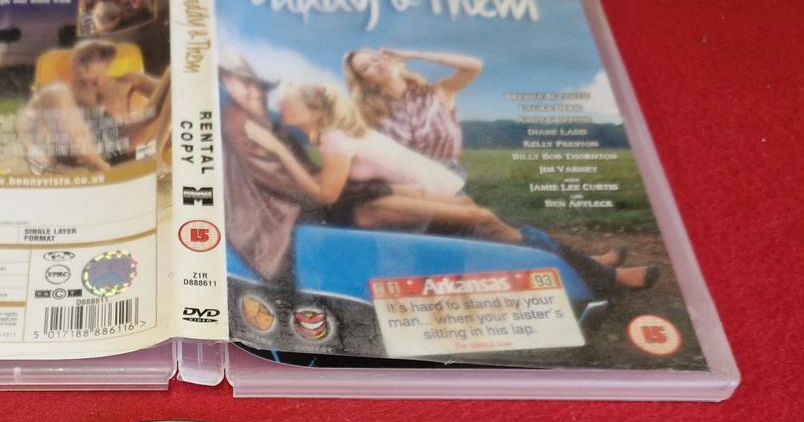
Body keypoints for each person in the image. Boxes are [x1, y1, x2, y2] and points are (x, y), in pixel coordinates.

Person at [246, 84, 657, 291]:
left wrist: (278, 151)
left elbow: (326, 192)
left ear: (312, 109)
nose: (280, 105)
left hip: (377, 201)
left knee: (488, 222)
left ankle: (595, 268)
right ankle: (602, 273)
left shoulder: (335, 137)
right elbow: (328, 193)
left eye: (288, 101)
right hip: (370, 205)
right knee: (487, 221)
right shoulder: (331, 136)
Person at [217, 52, 321, 285]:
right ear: (227, 81)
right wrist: (330, 192)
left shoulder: (268, 125)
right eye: (247, 84)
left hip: (277, 217)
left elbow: (305, 169)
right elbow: (283, 181)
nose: (258, 93)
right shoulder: (239, 123)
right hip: (264, 226)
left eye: (262, 87)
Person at [17, 39, 171, 172]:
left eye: (85, 60)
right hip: (82, 149)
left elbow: (168, 100)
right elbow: (27, 116)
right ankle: (100, 168)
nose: (77, 65)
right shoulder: (65, 90)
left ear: (106, 62)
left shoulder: (127, 81)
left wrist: (167, 135)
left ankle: (155, 155)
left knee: (174, 73)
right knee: (54, 91)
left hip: (124, 140)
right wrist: (30, 147)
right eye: (74, 61)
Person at [343, 46, 479, 176]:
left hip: (449, 178)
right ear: (367, 82)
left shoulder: (437, 92)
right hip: (403, 183)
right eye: (366, 67)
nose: (377, 65)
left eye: (375, 58)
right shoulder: (371, 115)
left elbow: (474, 67)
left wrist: (413, 55)